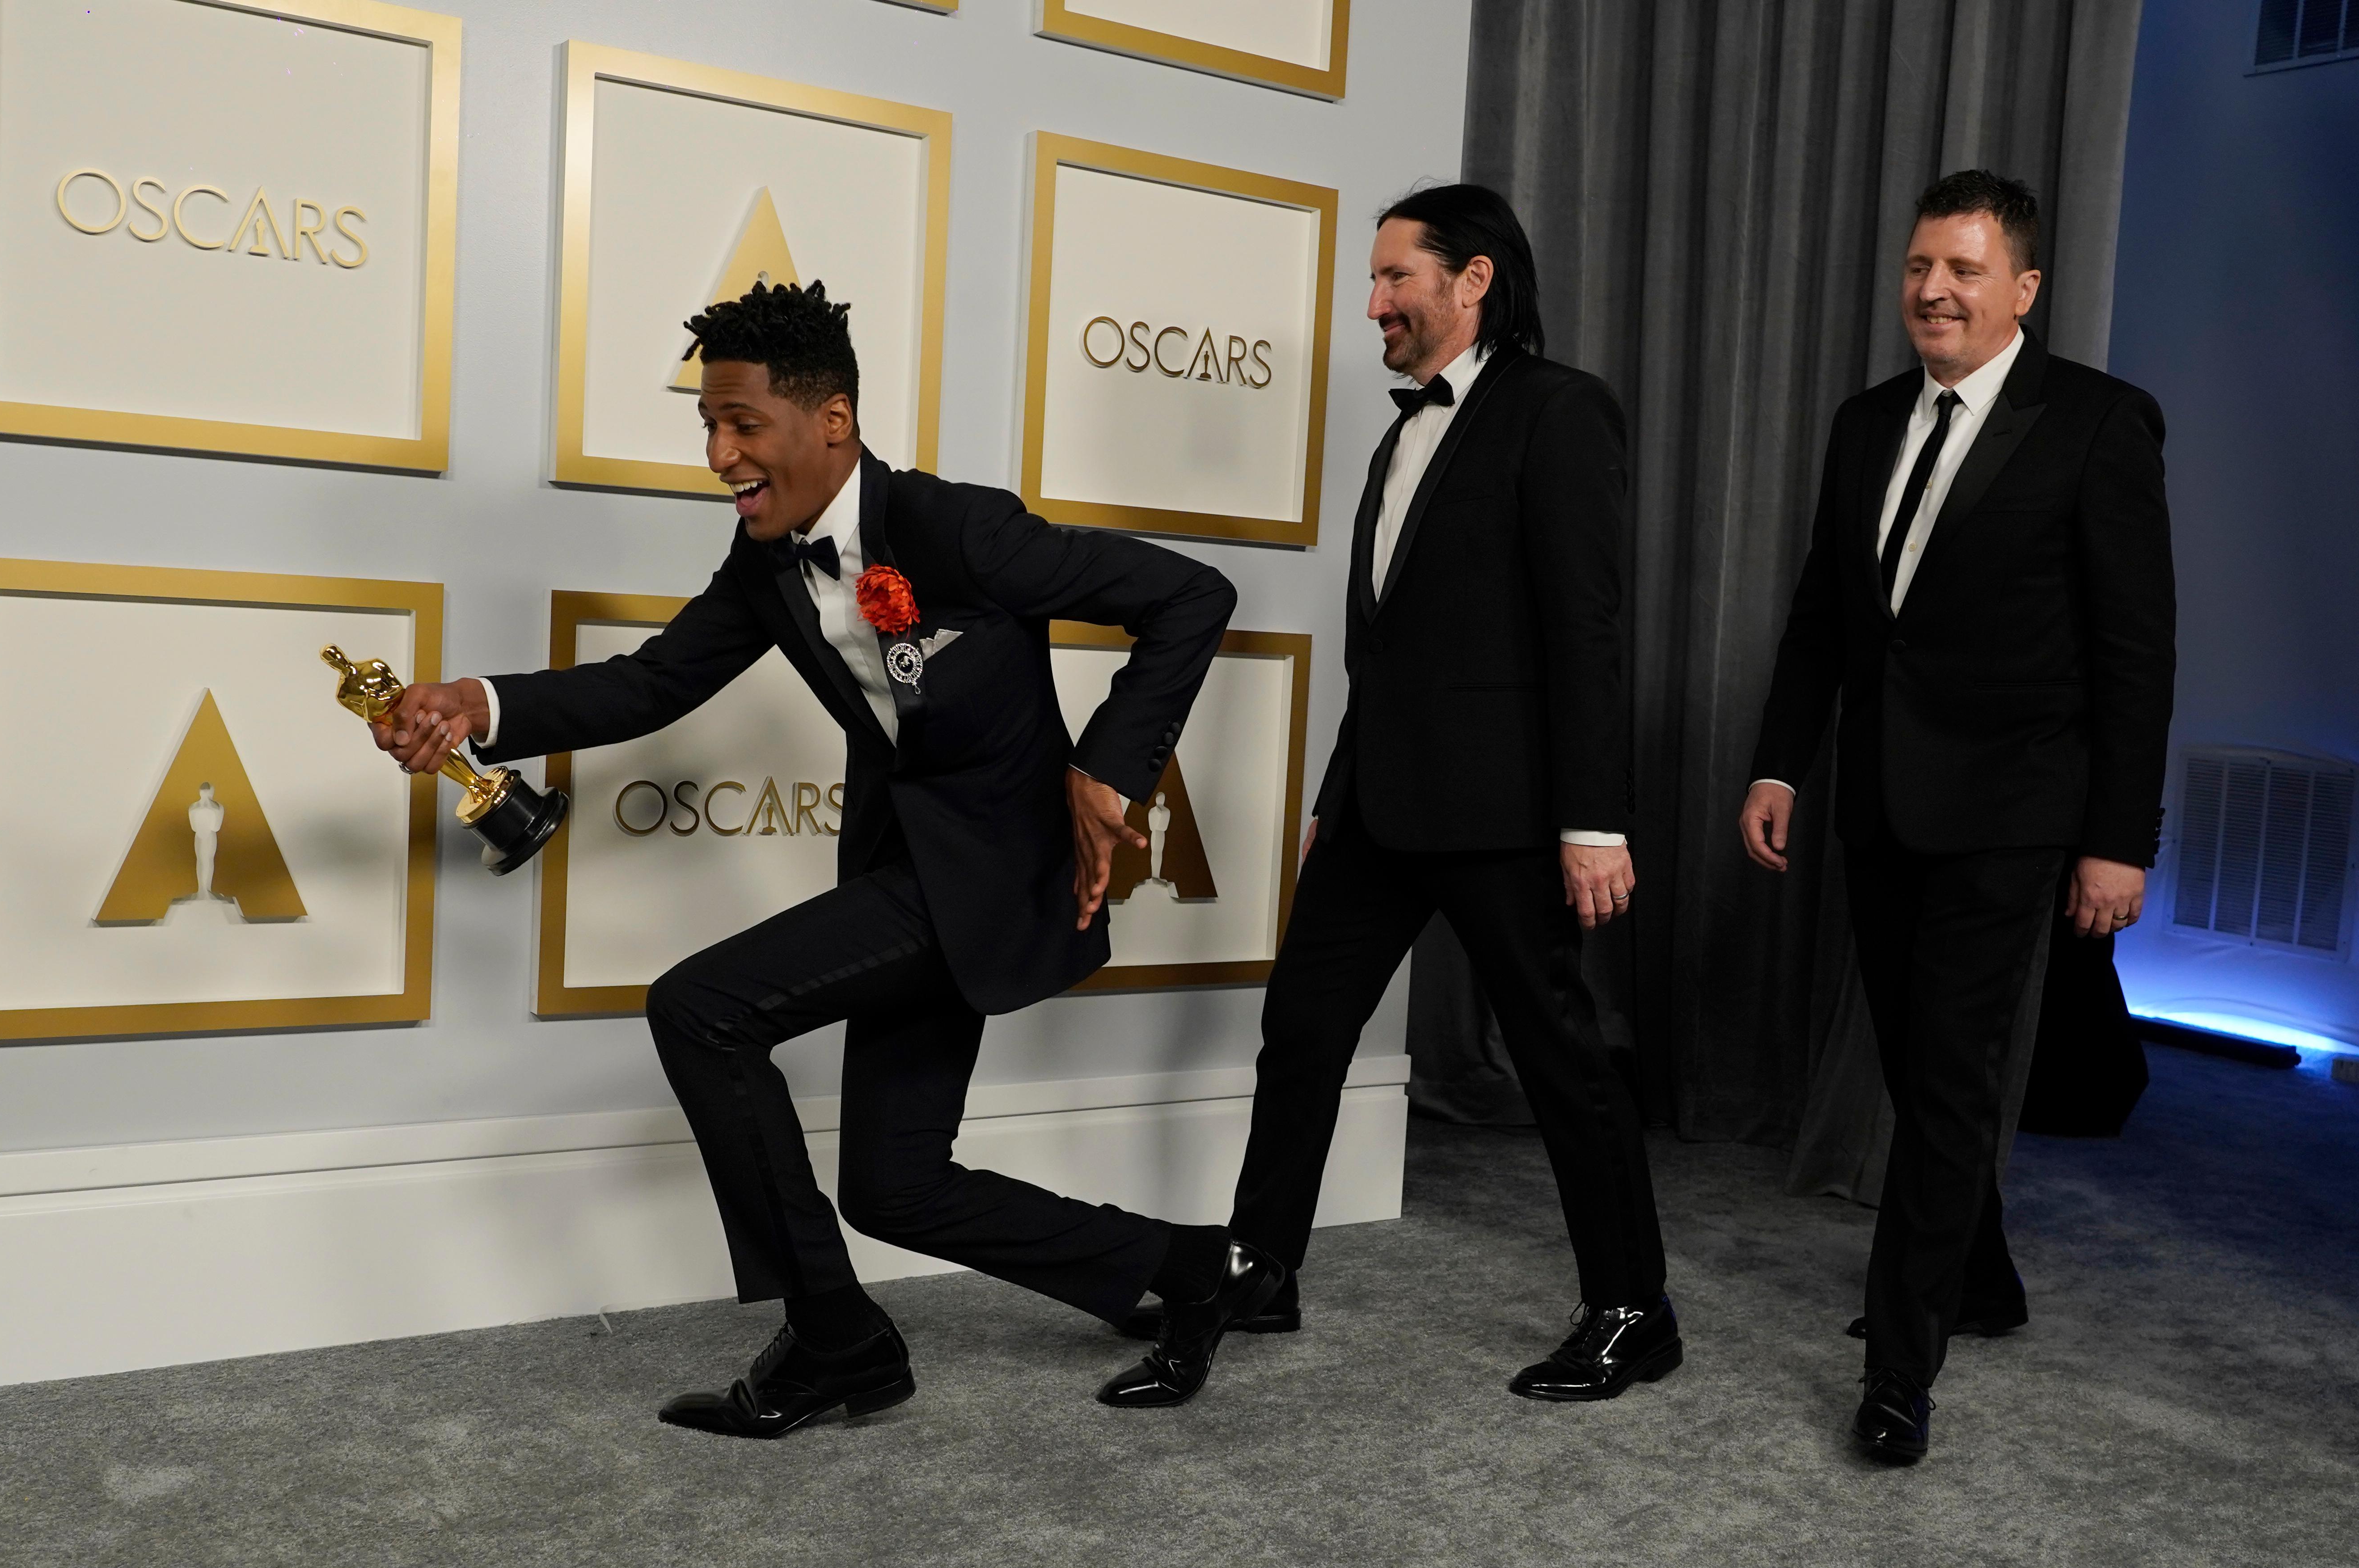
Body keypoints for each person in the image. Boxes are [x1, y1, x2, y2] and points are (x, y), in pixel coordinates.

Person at [374, 280, 1273, 1439]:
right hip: (906, 871)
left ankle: (836, 1341)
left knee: (702, 1008)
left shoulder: (959, 529)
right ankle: (1197, 1268)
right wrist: (477, 704)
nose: (719, 454)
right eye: (709, 425)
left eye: (743, 423)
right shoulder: (768, 561)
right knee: (896, 1186)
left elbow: (1191, 595)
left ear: (832, 420)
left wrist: (1107, 768)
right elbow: (654, 682)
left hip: (997, 873)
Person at [1116, 183, 1676, 1408]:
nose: (1373, 304)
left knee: (1559, 1056)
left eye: (1394, 278)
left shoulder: (1560, 411)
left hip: (1505, 812)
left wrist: (1594, 821)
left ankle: (1635, 1309)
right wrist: (1338, 788)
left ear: (1474, 281)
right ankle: (1264, 1267)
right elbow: (1387, 646)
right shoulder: (1401, 433)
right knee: (1303, 1027)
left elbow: (1586, 632)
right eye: (1372, 281)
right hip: (1379, 805)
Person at [1741, 170, 2174, 1463]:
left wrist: (2120, 840)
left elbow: (2137, 652)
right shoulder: (1866, 421)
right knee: (1915, 1056)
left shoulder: (2098, 423)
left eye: (1965, 270)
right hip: (1880, 803)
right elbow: (1826, 613)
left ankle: (1900, 1364)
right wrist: (1780, 765)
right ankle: (1980, 1276)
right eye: (1921, 266)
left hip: (2014, 812)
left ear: (2022, 289)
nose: (1934, 290)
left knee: (1948, 1078)